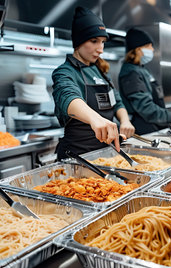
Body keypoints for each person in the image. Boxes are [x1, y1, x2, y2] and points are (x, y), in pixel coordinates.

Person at [52, 7, 135, 159]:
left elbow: (117, 102)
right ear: (79, 42)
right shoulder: (65, 72)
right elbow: (67, 96)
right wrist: (94, 118)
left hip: (104, 155)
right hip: (76, 156)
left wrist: (125, 121)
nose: (101, 49)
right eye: (94, 41)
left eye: (103, 42)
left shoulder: (100, 72)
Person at [118, 28, 171, 134]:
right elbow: (145, 107)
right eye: (149, 46)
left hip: (153, 125)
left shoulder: (142, 69)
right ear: (138, 49)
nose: (152, 49)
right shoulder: (131, 73)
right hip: (143, 128)